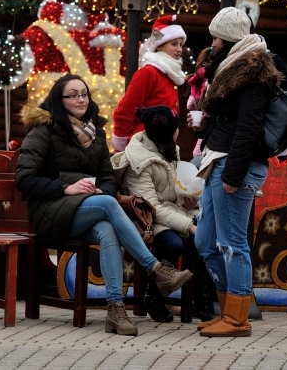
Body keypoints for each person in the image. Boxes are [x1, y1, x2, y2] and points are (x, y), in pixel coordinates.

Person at [16, 74, 193, 335]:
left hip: (86, 208)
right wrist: (65, 187)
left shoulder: (95, 132)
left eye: (84, 94)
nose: (81, 99)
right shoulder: (44, 130)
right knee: (108, 205)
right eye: (73, 95)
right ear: (59, 100)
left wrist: (102, 189)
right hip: (50, 212)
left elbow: (108, 177)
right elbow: (24, 179)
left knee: (107, 228)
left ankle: (115, 309)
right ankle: (155, 268)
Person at [189, 6, 282, 337]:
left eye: (216, 37)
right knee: (206, 241)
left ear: (228, 39)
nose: (212, 43)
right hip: (219, 157)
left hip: (234, 165)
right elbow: (231, 120)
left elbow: (249, 127)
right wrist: (205, 127)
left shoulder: (252, 74)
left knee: (232, 244)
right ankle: (228, 309)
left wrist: (233, 175)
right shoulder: (231, 66)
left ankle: (237, 318)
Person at [111, 105, 199, 323]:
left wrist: (187, 197)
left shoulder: (168, 148)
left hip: (172, 210)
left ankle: (202, 301)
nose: (179, 130)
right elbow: (152, 207)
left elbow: (171, 190)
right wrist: (188, 225)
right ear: (168, 132)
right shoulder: (139, 161)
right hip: (146, 218)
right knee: (173, 244)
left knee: (207, 231)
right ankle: (154, 296)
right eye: (176, 127)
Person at [112, 15, 187, 152]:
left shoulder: (170, 74)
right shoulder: (149, 72)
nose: (179, 49)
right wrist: (120, 139)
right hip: (144, 145)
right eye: (174, 44)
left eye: (180, 44)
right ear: (159, 46)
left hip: (162, 145)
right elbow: (127, 108)